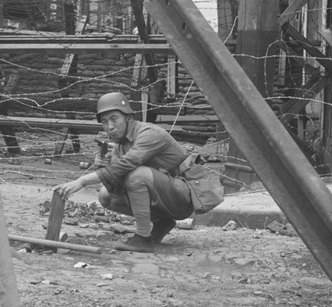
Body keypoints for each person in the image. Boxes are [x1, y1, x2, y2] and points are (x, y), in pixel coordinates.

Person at [53, 92, 222, 252]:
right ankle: (162, 223)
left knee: (136, 175)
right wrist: (102, 167)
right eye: (104, 122)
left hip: (184, 197)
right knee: (105, 195)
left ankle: (142, 239)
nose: (110, 127)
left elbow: (128, 164)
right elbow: (117, 186)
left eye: (114, 119)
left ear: (128, 118)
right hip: (165, 198)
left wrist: (82, 181)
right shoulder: (120, 145)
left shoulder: (148, 133)